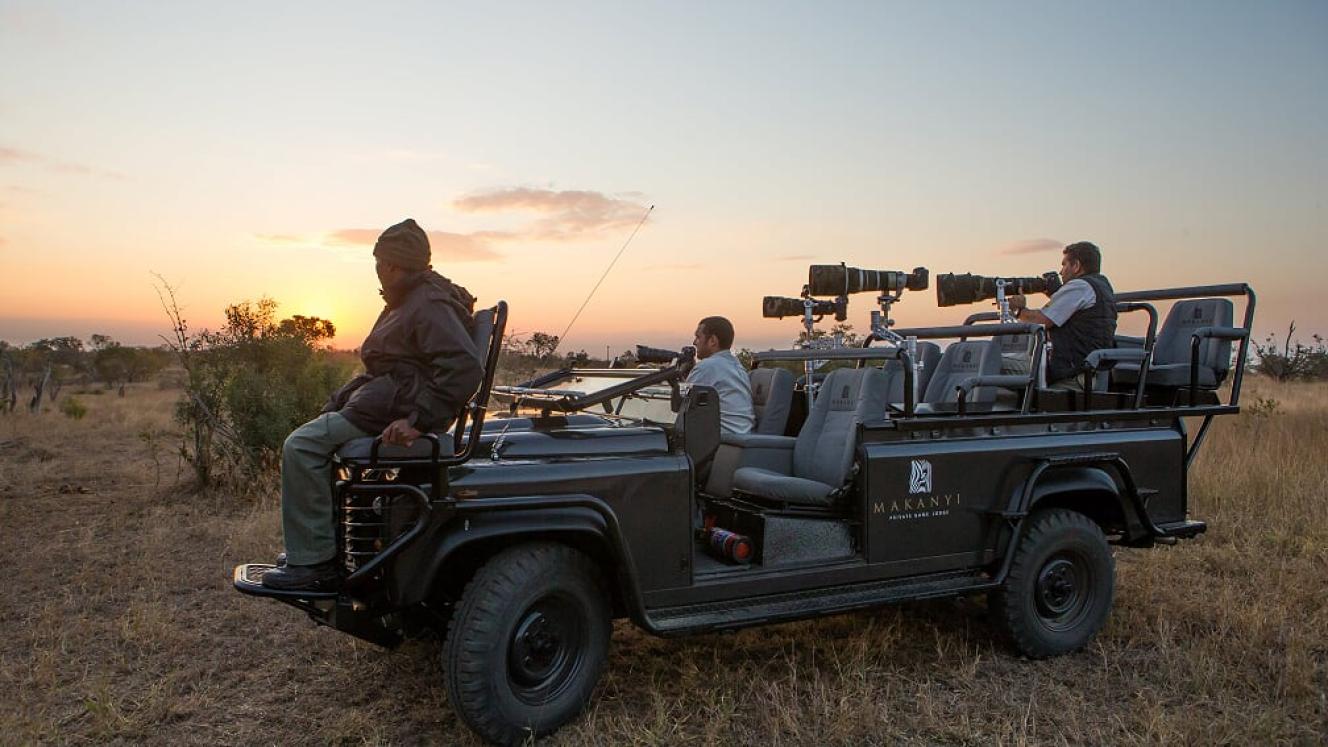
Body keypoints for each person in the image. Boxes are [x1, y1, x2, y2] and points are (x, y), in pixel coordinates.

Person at [262, 219, 483, 591]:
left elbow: (464, 366)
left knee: (301, 446)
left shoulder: (427, 303)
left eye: (380, 262)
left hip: (395, 409)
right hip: (386, 402)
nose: (377, 270)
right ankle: (324, 548)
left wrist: (418, 421)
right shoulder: (408, 300)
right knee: (316, 436)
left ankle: (314, 563)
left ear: (393, 265)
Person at [1007, 241, 1117, 389]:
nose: (1061, 272)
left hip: (1071, 376)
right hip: (1083, 372)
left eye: (1064, 265)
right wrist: (1056, 294)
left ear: (1076, 266)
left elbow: (1041, 321)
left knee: (991, 363)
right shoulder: (1100, 286)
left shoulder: (1080, 286)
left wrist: (1018, 310)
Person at [687, 316, 755, 435]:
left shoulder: (707, 366)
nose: (694, 342)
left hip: (720, 439)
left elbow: (682, 405)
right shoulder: (738, 367)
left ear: (712, 340)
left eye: (698, 337)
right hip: (740, 436)